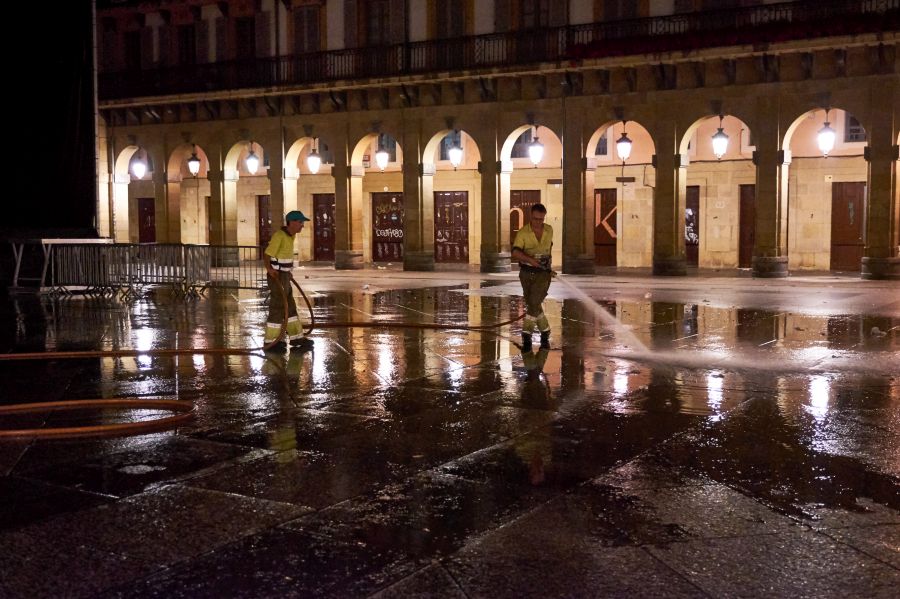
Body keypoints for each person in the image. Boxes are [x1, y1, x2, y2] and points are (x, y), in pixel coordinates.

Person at [263, 210, 313, 351]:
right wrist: (270, 269)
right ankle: (271, 341)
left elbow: (283, 257)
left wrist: (287, 272)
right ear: (291, 222)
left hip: (284, 275)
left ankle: (297, 338)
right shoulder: (280, 236)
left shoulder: (290, 236)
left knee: (289, 305)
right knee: (278, 306)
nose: (302, 225)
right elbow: (267, 255)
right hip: (276, 277)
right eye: (300, 222)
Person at [511, 203, 554, 351]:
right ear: (531, 216)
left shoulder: (549, 230)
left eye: (541, 219)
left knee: (534, 302)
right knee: (533, 304)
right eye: (536, 219)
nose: (538, 222)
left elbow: (549, 250)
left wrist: (548, 267)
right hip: (527, 274)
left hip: (543, 274)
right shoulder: (523, 233)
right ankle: (545, 330)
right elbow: (515, 252)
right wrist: (531, 260)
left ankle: (526, 333)